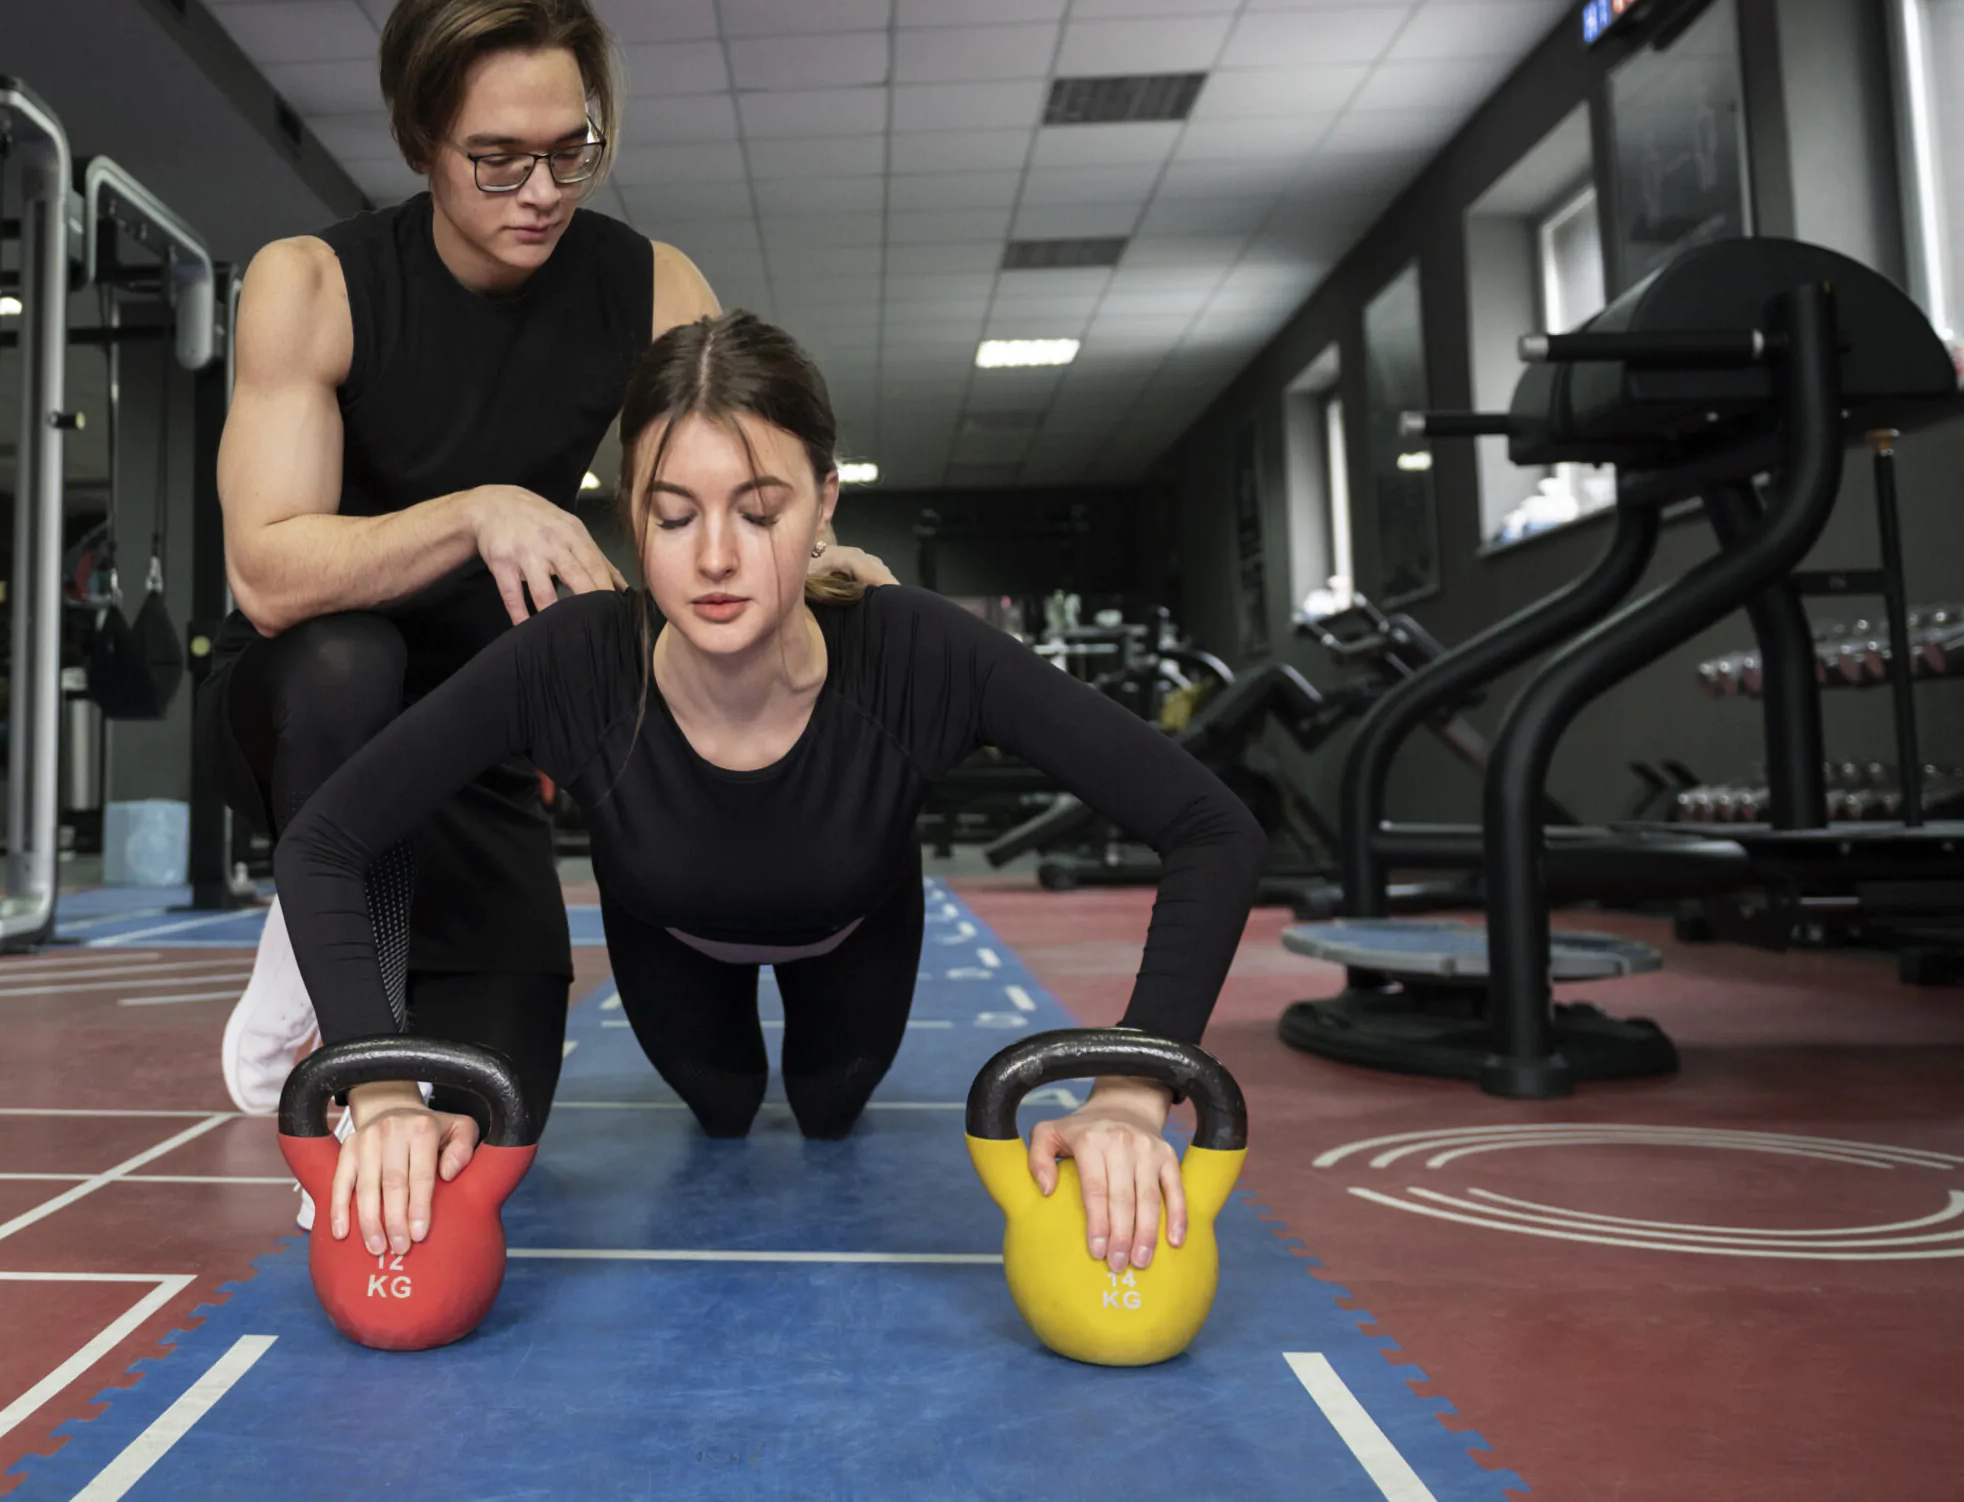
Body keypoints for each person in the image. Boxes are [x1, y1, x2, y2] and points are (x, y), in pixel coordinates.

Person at [272, 310, 1268, 1280]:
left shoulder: (915, 652)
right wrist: (385, 1083)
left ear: (825, 501)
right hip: (668, 938)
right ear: (630, 514)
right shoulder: (568, 663)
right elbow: (324, 842)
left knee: (830, 1112)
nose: (714, 555)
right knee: (724, 1106)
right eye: (673, 514)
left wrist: (1134, 1088)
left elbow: (1210, 826)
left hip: (855, 932)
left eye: (759, 510)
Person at [202, 0, 884, 1136]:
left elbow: (732, 478)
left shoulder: (649, 281)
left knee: (502, 1104)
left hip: (485, 730)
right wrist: (477, 509)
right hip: (308, 714)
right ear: (422, 139)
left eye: (573, 150)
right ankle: (335, 959)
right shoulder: (310, 283)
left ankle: (387, 933)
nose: (543, 189)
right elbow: (264, 577)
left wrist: (823, 556)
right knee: (347, 660)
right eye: (499, 158)